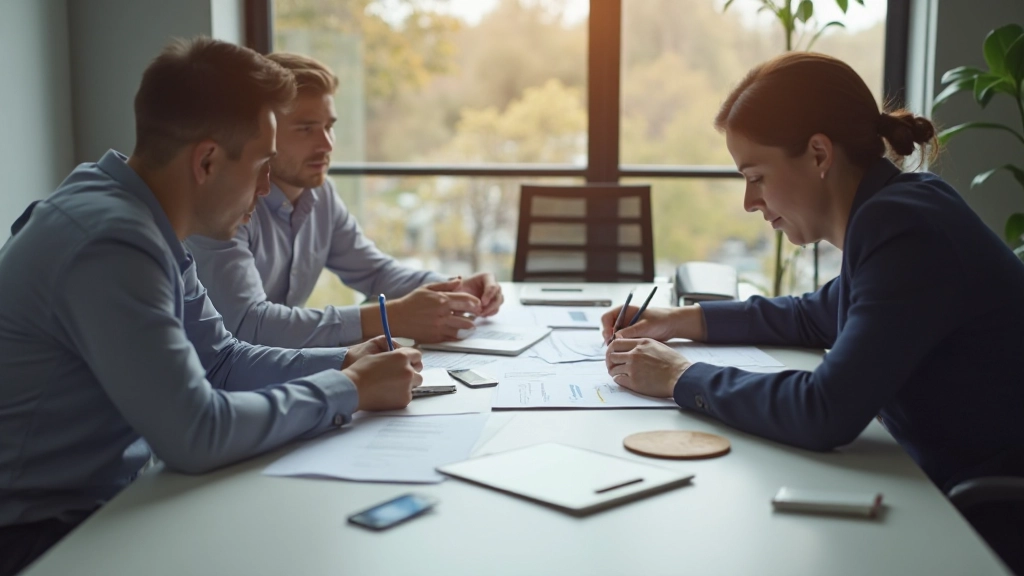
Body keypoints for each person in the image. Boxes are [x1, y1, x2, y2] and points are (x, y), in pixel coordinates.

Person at [0, 38, 421, 575]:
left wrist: (346, 360)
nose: (267, 186)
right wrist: (352, 388)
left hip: (105, 507)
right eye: (262, 164)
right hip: (35, 538)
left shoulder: (141, 216)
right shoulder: (112, 243)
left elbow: (220, 360)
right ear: (207, 160)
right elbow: (195, 434)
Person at [603, 52, 1024, 494]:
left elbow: (825, 410)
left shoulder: (905, 228)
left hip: (986, 512)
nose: (749, 201)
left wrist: (678, 376)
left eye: (757, 176)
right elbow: (811, 315)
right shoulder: (899, 208)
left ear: (819, 154)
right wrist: (678, 320)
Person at [185, 52, 504, 349]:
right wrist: (387, 318)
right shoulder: (223, 207)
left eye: (329, 127)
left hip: (276, 374)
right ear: (264, 133)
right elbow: (248, 325)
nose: (326, 144)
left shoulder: (320, 195)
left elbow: (376, 273)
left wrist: (454, 288)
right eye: (306, 129)